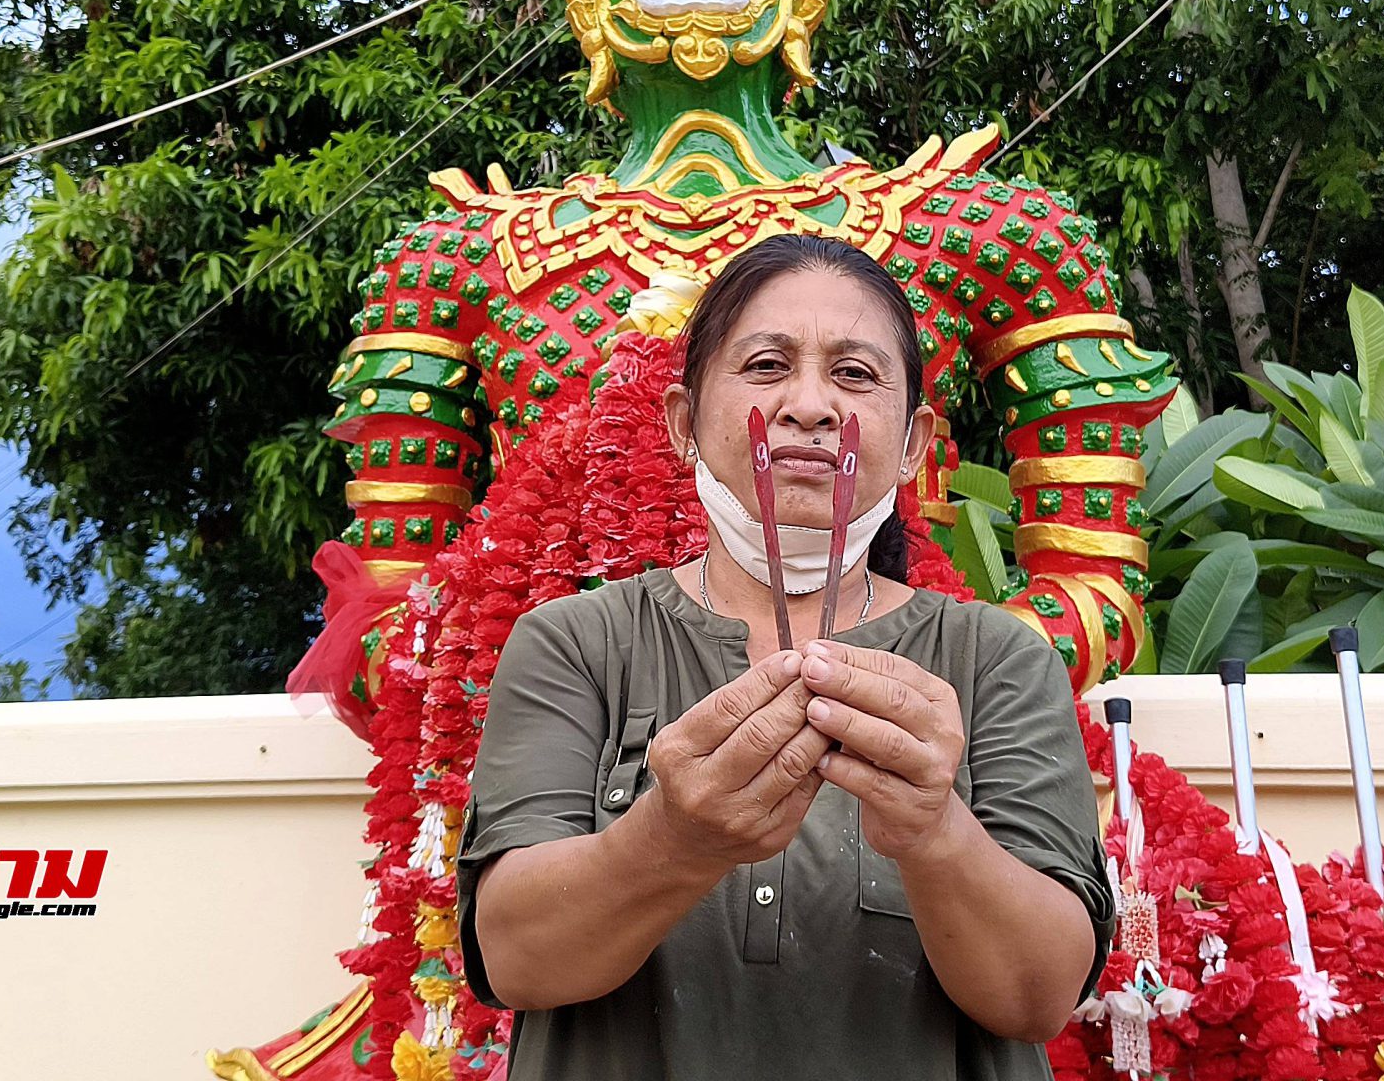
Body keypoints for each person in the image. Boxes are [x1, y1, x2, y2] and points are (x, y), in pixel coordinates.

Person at [456, 233, 1113, 1078]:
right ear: (684, 423)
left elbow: (1036, 997)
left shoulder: (996, 661)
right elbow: (516, 959)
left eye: (854, 374)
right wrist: (674, 837)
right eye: (766, 367)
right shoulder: (575, 644)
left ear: (914, 443)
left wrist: (935, 832)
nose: (810, 405)